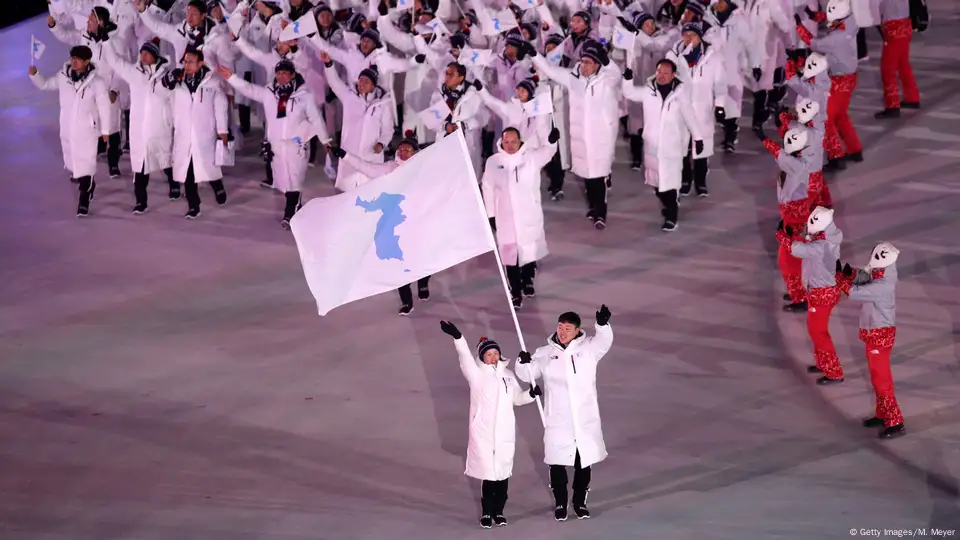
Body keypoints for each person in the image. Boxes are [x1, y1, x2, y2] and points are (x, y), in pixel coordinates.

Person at [516, 305, 613, 521]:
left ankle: (579, 503)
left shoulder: (588, 349)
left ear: (577, 330)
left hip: (584, 417)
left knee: (583, 461)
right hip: (558, 419)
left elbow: (603, 342)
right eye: (560, 327)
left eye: (567, 328)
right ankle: (561, 503)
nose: (562, 331)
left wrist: (603, 325)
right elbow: (527, 375)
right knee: (557, 462)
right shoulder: (545, 353)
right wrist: (522, 363)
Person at [438, 321, 540, 528]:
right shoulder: (476, 375)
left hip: (504, 434)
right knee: (488, 475)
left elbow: (517, 399)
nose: (493, 357)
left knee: (502, 475)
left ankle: (499, 512)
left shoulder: (508, 376)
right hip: (483, 433)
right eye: (488, 354)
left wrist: (530, 394)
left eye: (495, 353)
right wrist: (458, 337)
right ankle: (487, 512)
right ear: (482, 357)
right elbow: (465, 358)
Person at [220, 60, 330, 229]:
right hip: (277, 146)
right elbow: (249, 89)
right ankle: (296, 207)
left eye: (286, 73)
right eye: (279, 73)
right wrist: (232, 77)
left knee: (294, 179)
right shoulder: (269, 93)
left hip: (296, 146)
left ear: (293, 75)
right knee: (285, 181)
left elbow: (316, 119)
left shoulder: (304, 95)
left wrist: (325, 141)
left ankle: (289, 213)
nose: (282, 76)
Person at [327, 138, 429, 315]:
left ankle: (423, 282)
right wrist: (345, 155)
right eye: (401, 148)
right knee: (398, 262)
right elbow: (366, 167)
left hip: (418, 221)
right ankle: (407, 302)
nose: (403, 151)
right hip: (395, 222)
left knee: (422, 258)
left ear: (416, 152)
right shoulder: (389, 168)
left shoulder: (423, 170)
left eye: (408, 149)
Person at [530, 40, 622, 230]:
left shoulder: (607, 79)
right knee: (587, 176)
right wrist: (534, 54)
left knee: (599, 176)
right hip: (581, 137)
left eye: (589, 62)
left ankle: (600, 212)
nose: (585, 66)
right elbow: (549, 69)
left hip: (600, 137)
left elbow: (616, 73)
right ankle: (592, 206)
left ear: (597, 64)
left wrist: (606, 58)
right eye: (583, 61)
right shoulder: (573, 78)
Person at [622, 59, 704, 232]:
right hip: (652, 145)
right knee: (657, 184)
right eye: (659, 72)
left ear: (673, 75)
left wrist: (698, 138)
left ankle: (671, 216)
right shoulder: (648, 91)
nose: (661, 76)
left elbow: (690, 115)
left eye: (666, 73)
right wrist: (627, 78)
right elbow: (629, 93)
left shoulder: (680, 93)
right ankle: (668, 201)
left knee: (670, 182)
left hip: (671, 146)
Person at [482, 127, 559, 309]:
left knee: (528, 250)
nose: (509, 145)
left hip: (527, 215)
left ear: (520, 141)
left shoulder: (530, 158)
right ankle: (515, 292)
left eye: (513, 141)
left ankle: (528, 281)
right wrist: (491, 215)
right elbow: (487, 188)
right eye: (506, 142)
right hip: (505, 218)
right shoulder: (493, 162)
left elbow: (548, 152)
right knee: (510, 256)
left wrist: (552, 141)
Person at [30, 46, 112, 217]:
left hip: (87, 131)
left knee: (86, 164)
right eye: (73, 58)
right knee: (75, 165)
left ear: (87, 61)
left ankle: (84, 197)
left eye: (78, 59)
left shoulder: (97, 83)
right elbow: (46, 84)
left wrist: (105, 129)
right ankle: (87, 184)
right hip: (68, 129)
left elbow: (104, 107)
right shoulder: (63, 76)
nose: (74, 61)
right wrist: (35, 74)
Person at [47, 6, 128, 179]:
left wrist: (115, 89)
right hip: (89, 91)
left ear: (101, 22)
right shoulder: (84, 36)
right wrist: (54, 26)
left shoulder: (116, 42)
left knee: (112, 128)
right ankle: (84, 168)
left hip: (108, 92)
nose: (87, 22)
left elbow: (122, 68)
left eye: (91, 19)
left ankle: (113, 164)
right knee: (91, 127)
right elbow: (67, 36)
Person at [836, 243, 906, 439]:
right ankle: (882, 414)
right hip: (875, 333)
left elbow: (854, 293)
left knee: (882, 380)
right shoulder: (882, 274)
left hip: (879, 335)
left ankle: (895, 421)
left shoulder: (883, 286)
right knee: (876, 378)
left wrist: (840, 278)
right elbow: (865, 277)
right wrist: (850, 274)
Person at [103, 40, 179, 213]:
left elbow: (174, 101)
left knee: (164, 159)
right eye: (141, 53)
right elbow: (115, 61)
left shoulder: (165, 76)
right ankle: (141, 201)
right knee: (140, 166)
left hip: (159, 126)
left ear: (155, 55)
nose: (142, 56)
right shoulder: (134, 73)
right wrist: (107, 41)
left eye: (146, 53)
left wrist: (173, 122)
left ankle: (174, 184)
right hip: (139, 129)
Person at [163, 47, 229, 219]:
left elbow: (220, 107)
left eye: (191, 62)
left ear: (201, 63)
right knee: (188, 172)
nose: (187, 65)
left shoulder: (212, 82)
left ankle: (218, 186)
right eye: (185, 61)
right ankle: (194, 205)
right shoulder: (178, 82)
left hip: (204, 134)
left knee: (208, 167)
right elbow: (165, 97)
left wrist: (222, 130)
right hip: (184, 136)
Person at [796, 0, 862, 171]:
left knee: (825, 118)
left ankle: (836, 156)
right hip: (851, 76)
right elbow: (832, 16)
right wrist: (816, 17)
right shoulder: (850, 22)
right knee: (840, 114)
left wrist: (798, 26)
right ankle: (855, 149)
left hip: (839, 79)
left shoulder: (836, 38)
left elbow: (814, 43)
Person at [320, 52, 395, 192]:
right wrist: (329, 65)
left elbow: (388, 129)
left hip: (370, 155)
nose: (362, 83)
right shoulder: (349, 96)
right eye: (360, 80)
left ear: (373, 85)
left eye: (366, 81)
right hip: (350, 153)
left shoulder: (383, 103)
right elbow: (334, 82)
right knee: (346, 193)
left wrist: (381, 144)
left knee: (368, 194)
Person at [665, 22, 726, 197]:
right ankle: (685, 179)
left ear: (700, 37)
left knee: (702, 147)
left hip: (702, 109)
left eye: (693, 35)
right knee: (682, 146)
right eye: (686, 35)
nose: (689, 39)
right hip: (681, 109)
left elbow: (720, 84)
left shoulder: (712, 57)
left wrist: (720, 105)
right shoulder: (674, 55)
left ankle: (700, 182)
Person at [790, 207, 845, 384]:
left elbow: (797, 250)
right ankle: (823, 363)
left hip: (822, 292)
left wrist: (786, 236)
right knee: (815, 329)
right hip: (822, 289)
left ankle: (834, 372)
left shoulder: (822, 245)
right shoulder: (825, 236)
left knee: (818, 332)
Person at [761, 126, 812, 312]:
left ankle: (801, 298)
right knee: (790, 260)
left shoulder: (797, 164)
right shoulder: (794, 162)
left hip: (796, 221)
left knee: (790, 261)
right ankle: (797, 292)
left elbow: (779, 155)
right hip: (792, 219)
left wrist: (764, 139)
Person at [873, 0, 920, 118]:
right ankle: (912, 97)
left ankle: (892, 105)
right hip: (905, 23)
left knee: (888, 70)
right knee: (903, 64)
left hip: (893, 26)